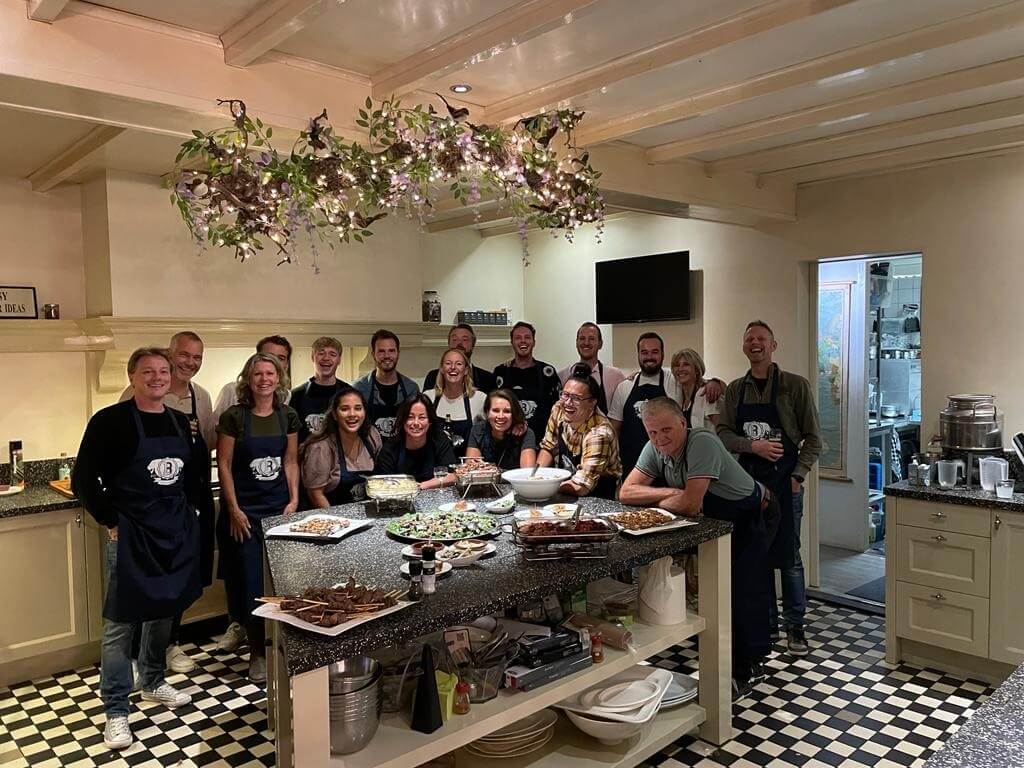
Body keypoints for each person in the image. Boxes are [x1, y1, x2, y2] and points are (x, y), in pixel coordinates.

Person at [72, 347, 201, 751]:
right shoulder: (110, 422)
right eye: (148, 371)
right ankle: (115, 709)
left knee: (164, 610)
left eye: (163, 371)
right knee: (121, 623)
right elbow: (83, 480)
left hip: (174, 532)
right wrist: (111, 520)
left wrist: (191, 517)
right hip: (130, 534)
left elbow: (191, 475)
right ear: (132, 376)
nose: (157, 377)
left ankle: (154, 680)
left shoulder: (181, 422)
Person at [619, 397, 780, 698]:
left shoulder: (701, 441)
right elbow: (626, 492)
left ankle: (748, 670)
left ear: (683, 423)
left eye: (666, 429)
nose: (659, 438)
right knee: (718, 592)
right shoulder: (656, 447)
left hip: (756, 512)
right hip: (718, 520)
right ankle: (730, 659)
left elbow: (691, 504)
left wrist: (658, 496)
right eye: (652, 432)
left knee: (743, 591)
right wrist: (671, 492)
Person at [717, 320, 821, 657]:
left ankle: (795, 626)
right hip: (748, 486)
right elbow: (723, 434)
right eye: (749, 339)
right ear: (744, 346)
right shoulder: (735, 390)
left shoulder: (794, 386)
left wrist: (798, 476)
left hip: (785, 483)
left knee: (789, 556)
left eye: (762, 338)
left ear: (773, 345)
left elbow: (815, 440)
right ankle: (764, 624)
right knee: (754, 554)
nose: (755, 344)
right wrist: (752, 446)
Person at [117, 331, 215, 674]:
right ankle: (134, 654)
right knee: (145, 580)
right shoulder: (136, 395)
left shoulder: (200, 397)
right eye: (184, 355)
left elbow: (207, 445)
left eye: (197, 358)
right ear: (170, 355)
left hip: (189, 500)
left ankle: (168, 645)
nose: (190, 363)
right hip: (147, 506)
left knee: (182, 575)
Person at [216, 352, 300, 683]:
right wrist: (234, 509)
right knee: (251, 582)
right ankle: (257, 653)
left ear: (279, 379)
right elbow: (224, 464)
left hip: (279, 510)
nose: (264, 379)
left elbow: (290, 460)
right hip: (246, 513)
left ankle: (282, 646)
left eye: (270, 373)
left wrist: (294, 499)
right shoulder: (234, 417)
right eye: (257, 374)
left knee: (282, 581)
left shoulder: (288, 416)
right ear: (247, 380)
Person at [537, 364, 621, 498]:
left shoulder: (599, 433)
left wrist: (546, 487)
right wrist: (535, 478)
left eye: (576, 398)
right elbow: (549, 446)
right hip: (564, 490)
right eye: (565, 395)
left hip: (597, 498)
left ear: (592, 403)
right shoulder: (559, 408)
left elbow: (582, 487)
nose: (568, 403)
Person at [609, 333, 681, 478]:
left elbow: (698, 382)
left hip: (668, 467)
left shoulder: (674, 382)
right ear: (638, 355)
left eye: (655, 352)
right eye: (644, 352)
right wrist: (615, 466)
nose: (649, 357)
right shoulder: (624, 387)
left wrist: (715, 383)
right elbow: (614, 430)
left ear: (662, 354)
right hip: (631, 466)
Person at [301, 387, 383, 506]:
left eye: (358, 408)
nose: (352, 414)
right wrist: (336, 522)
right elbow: (315, 494)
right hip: (333, 516)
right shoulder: (321, 448)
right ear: (334, 414)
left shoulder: (372, 436)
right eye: (344, 409)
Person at [493, 321, 561, 440]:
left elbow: (559, 408)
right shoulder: (501, 372)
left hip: (541, 443)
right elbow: (492, 409)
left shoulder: (547, 372)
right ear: (512, 343)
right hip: (507, 444)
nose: (523, 341)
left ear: (534, 342)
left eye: (527, 337)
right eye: (518, 338)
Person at [373, 394, 457, 488]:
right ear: (403, 420)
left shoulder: (439, 439)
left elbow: (452, 476)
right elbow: (382, 483)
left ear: (430, 421)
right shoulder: (390, 447)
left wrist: (420, 486)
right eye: (410, 417)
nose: (416, 423)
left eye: (422, 417)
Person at [353, 329, 420, 440]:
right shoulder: (358, 388)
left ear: (398, 353)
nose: (387, 356)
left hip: (402, 454)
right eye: (381, 351)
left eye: (391, 351)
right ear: (373, 354)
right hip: (370, 454)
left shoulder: (411, 388)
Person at [214, 335, 293, 420]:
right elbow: (215, 426)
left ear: (287, 364)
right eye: (268, 356)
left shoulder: (287, 395)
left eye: (281, 358)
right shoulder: (231, 390)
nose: (274, 361)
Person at [289, 336, 349, 444]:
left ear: (339, 360)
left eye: (332, 354)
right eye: (321, 353)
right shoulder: (296, 396)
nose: (326, 358)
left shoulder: (349, 394)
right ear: (312, 357)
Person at [558, 322, 625, 414]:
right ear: (576, 343)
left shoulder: (615, 376)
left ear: (600, 344)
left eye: (591, 339)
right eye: (582, 339)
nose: (586, 343)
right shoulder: (563, 375)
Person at [431, 348, 485, 457]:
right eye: (448, 363)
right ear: (441, 369)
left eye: (459, 364)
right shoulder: (429, 397)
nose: (453, 367)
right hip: (437, 470)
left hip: (466, 467)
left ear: (466, 370)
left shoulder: (479, 398)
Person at [465, 389, 538, 470]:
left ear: (514, 413)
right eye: (495, 411)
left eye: (507, 411)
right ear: (487, 412)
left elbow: (527, 473)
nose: (501, 416)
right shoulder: (478, 430)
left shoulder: (526, 433)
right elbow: (471, 469)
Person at [422, 323, 496, 393]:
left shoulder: (487, 379)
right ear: (449, 344)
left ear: (473, 345)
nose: (459, 343)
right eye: (454, 339)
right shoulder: (433, 377)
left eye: (465, 339)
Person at [671, 348, 720, 431]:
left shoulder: (707, 393)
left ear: (696, 369)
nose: (680, 369)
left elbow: (721, 429)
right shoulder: (678, 397)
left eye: (686, 364)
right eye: (677, 365)